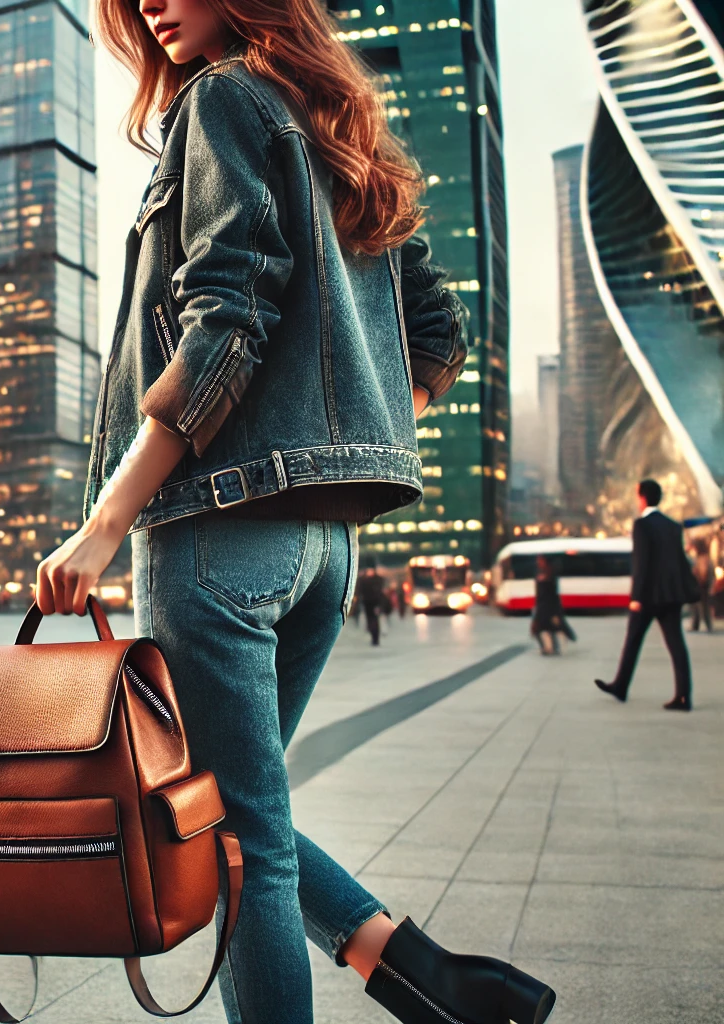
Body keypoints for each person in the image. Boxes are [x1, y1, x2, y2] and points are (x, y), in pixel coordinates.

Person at [34, 5, 555, 1023]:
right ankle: (426, 978)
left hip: (222, 535)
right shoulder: (335, 129)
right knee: (231, 810)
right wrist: (336, 442)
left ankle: (425, 979)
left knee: (240, 846)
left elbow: (224, 320)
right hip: (325, 550)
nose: (145, 3)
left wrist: (102, 523)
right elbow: (436, 335)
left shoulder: (223, 99)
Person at [596, 478, 698, 710]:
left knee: (632, 641)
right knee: (677, 646)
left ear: (642, 497)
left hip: (649, 597)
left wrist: (636, 598)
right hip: (671, 596)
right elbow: (679, 562)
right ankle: (684, 696)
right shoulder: (673, 526)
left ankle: (620, 687)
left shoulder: (642, 525)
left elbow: (641, 563)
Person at [530, 554, 575, 655]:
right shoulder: (539, 573)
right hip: (541, 606)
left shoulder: (551, 574)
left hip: (549, 606)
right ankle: (547, 647)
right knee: (538, 628)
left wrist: (556, 611)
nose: (538, 562)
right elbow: (538, 594)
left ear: (545, 561)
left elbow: (553, 595)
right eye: (538, 560)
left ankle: (552, 647)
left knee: (551, 627)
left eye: (540, 560)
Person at [356, 567, 389, 646]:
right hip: (368, 603)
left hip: (374, 603)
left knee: (374, 620)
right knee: (371, 620)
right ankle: (374, 637)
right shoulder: (366, 580)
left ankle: (375, 638)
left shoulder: (375, 580)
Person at [690, 539, 714, 633]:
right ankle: (701, 625)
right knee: (701, 606)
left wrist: (695, 574)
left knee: (701, 606)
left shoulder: (702, 558)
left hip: (701, 586)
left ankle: (704, 625)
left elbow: (703, 574)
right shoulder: (704, 557)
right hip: (703, 586)